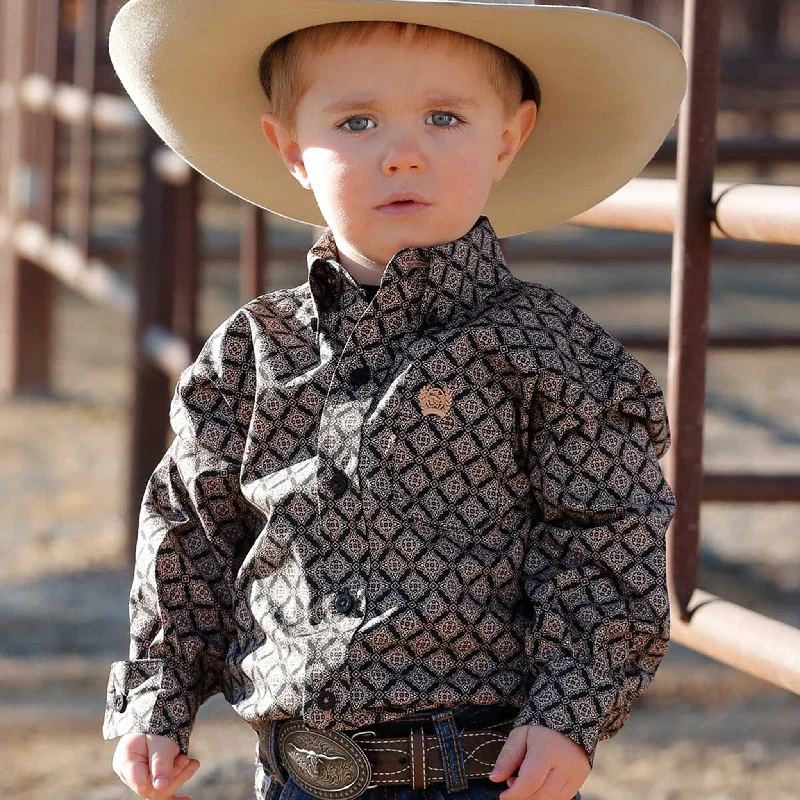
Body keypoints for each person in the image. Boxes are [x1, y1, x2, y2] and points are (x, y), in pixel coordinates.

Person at [101, 2, 687, 800]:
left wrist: (570, 711)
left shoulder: (552, 355)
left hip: (488, 767)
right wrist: (157, 701)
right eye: (356, 122)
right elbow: (191, 531)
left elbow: (605, 537)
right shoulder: (253, 351)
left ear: (508, 139)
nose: (403, 154)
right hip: (301, 771)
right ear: (290, 149)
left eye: (444, 117)